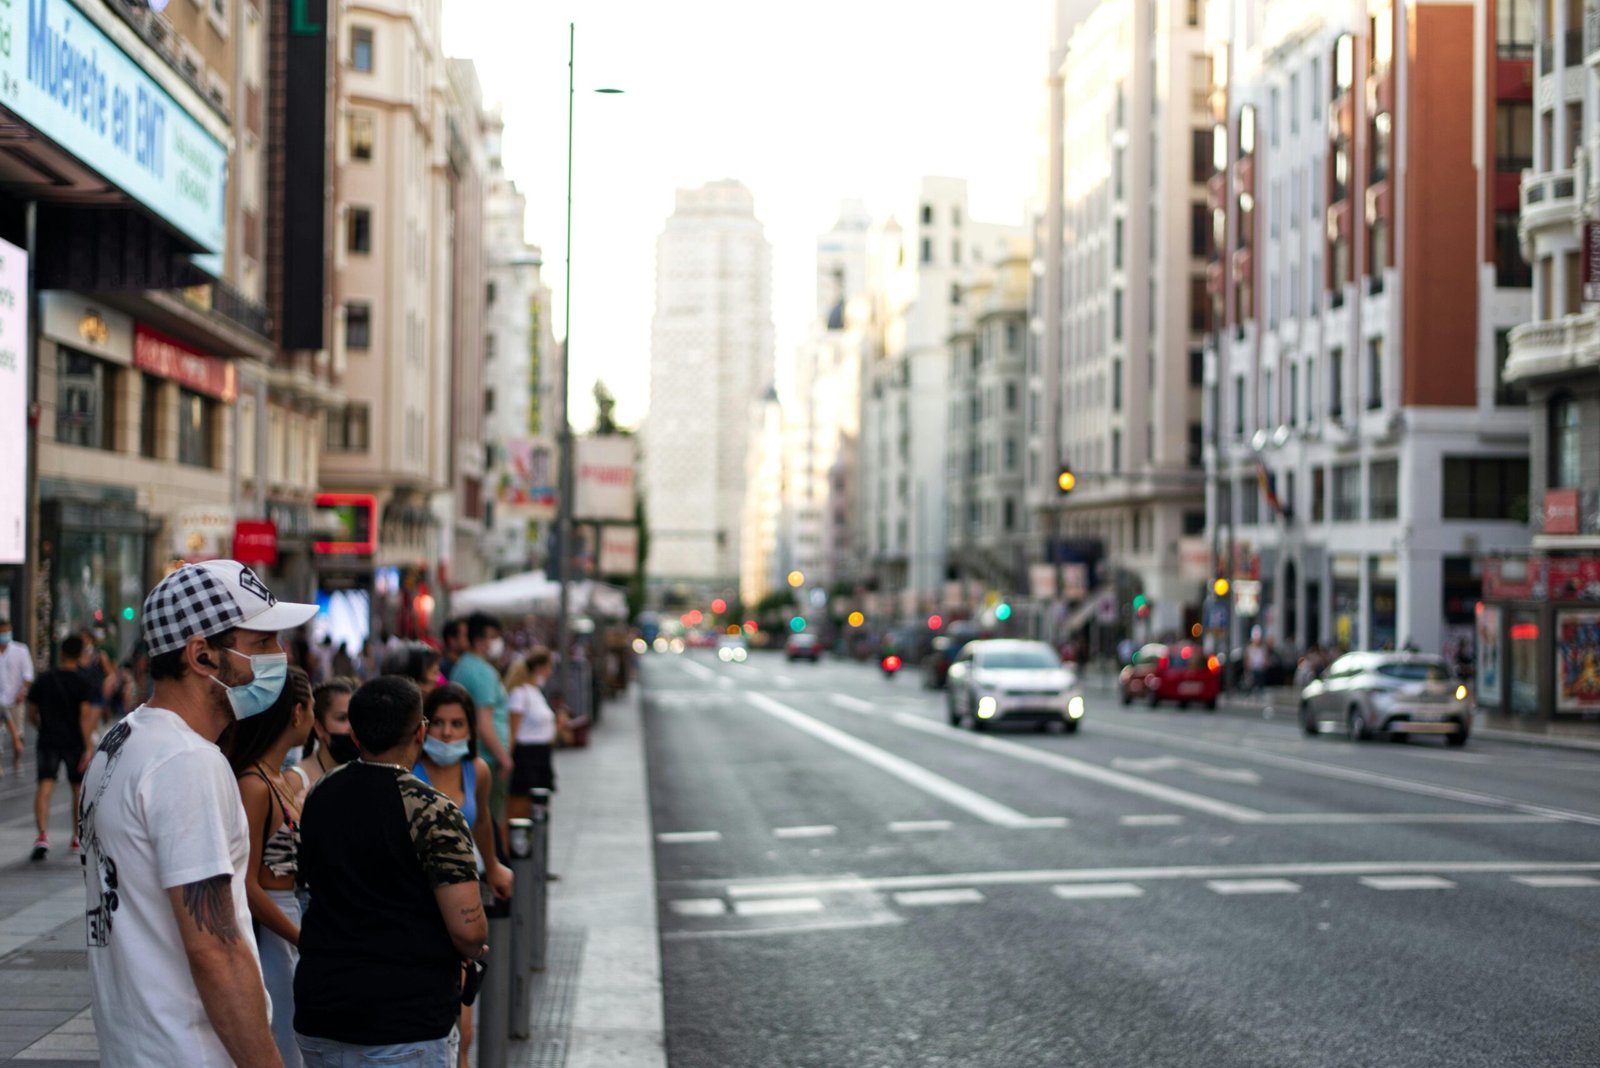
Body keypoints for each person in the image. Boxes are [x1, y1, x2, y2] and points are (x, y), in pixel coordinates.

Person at [79, 558, 316, 1066]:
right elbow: (216, 950)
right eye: (261, 644)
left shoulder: (121, 741)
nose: (280, 656)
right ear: (202, 655)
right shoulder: (187, 762)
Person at [294, 676, 487, 1066]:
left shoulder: (319, 793)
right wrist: (474, 948)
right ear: (419, 732)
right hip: (404, 1021)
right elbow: (468, 929)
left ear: (357, 735)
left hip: (320, 1011)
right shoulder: (433, 809)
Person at [413, 683, 513, 1068]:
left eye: (457, 723)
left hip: (464, 896)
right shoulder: (410, 769)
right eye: (438, 723)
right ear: (423, 726)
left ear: (471, 729)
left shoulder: (477, 770)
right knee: (433, 1021)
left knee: (464, 1026)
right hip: (420, 900)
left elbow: (483, 821)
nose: (447, 732)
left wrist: (494, 866)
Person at [222, 666, 314, 1068]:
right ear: (297, 714)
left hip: (289, 917)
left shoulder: (278, 778)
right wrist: (297, 935)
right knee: (281, 1042)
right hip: (271, 927)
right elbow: (246, 883)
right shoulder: (255, 784)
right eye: (312, 707)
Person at [27, 634, 97, 860]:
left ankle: (42, 836)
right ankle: (76, 837)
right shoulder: (82, 682)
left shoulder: (44, 679)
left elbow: (31, 713)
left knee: (44, 786)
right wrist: (88, 746)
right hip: (74, 741)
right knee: (77, 789)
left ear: (62, 652)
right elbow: (85, 717)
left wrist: (43, 726)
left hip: (48, 740)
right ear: (79, 655)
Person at [449, 613, 513, 828]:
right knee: (490, 821)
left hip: (471, 755)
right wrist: (504, 758)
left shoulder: (462, 666)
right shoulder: (482, 672)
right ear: (479, 640)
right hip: (488, 759)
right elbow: (484, 723)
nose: (496, 643)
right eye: (493, 637)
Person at [505, 649, 558, 823]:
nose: (550, 672)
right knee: (518, 808)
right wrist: (507, 760)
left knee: (536, 808)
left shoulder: (536, 692)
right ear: (538, 667)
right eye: (548, 667)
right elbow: (513, 730)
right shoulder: (520, 694)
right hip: (526, 756)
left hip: (541, 755)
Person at [295, 677, 358, 795]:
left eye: (356, 717)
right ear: (319, 727)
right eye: (342, 718)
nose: (352, 726)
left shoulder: (364, 772)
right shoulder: (297, 779)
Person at [0, 617, 31, 775]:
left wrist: (22, 692)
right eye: (2, 632)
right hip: (0, 703)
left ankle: (17, 760)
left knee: (17, 734)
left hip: (15, 700)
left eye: (7, 631)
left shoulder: (21, 650)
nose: (5, 634)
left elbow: (28, 675)